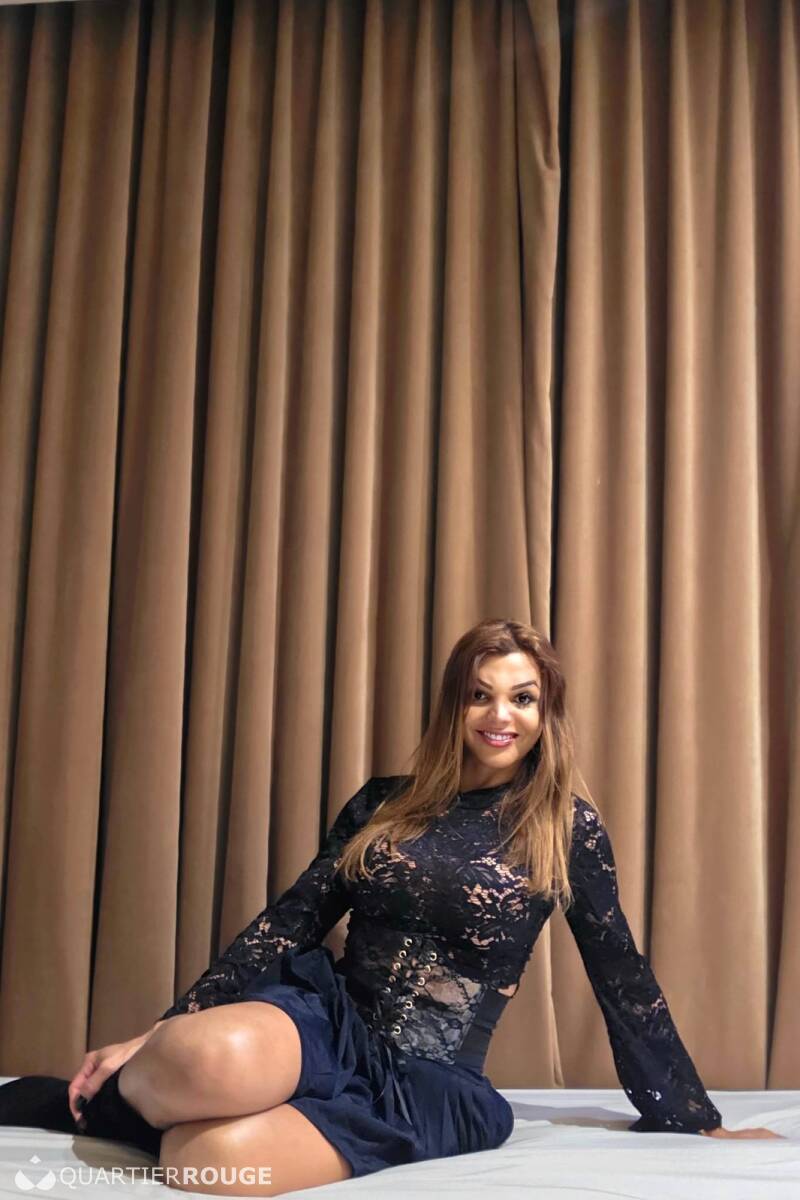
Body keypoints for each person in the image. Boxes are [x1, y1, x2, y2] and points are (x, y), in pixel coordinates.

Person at [0, 619, 781, 1195]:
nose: (499, 716)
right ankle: (100, 1097)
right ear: (453, 706)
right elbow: (291, 920)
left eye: (522, 698)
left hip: (429, 1083)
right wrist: (157, 1031)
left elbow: (621, 974)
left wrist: (691, 1116)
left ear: (547, 713)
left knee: (207, 1164)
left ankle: (160, 1108)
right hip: (325, 1020)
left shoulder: (564, 827)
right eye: (479, 695)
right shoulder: (384, 803)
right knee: (194, 1055)